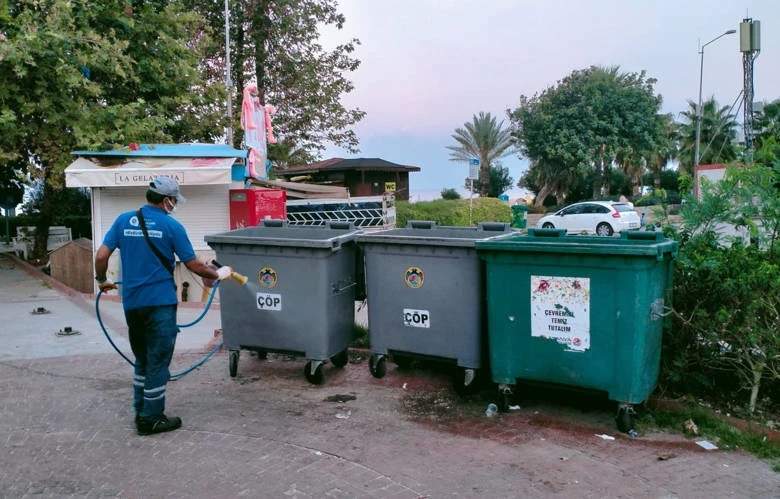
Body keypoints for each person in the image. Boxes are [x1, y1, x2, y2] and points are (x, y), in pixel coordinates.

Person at [94, 176, 233, 436]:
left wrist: (102, 280)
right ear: (167, 200)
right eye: (174, 200)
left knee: (143, 359)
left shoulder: (123, 220)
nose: (175, 205)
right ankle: (152, 418)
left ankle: (140, 409)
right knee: (158, 361)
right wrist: (220, 274)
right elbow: (193, 264)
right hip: (159, 304)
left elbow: (101, 255)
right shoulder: (172, 227)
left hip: (133, 303)